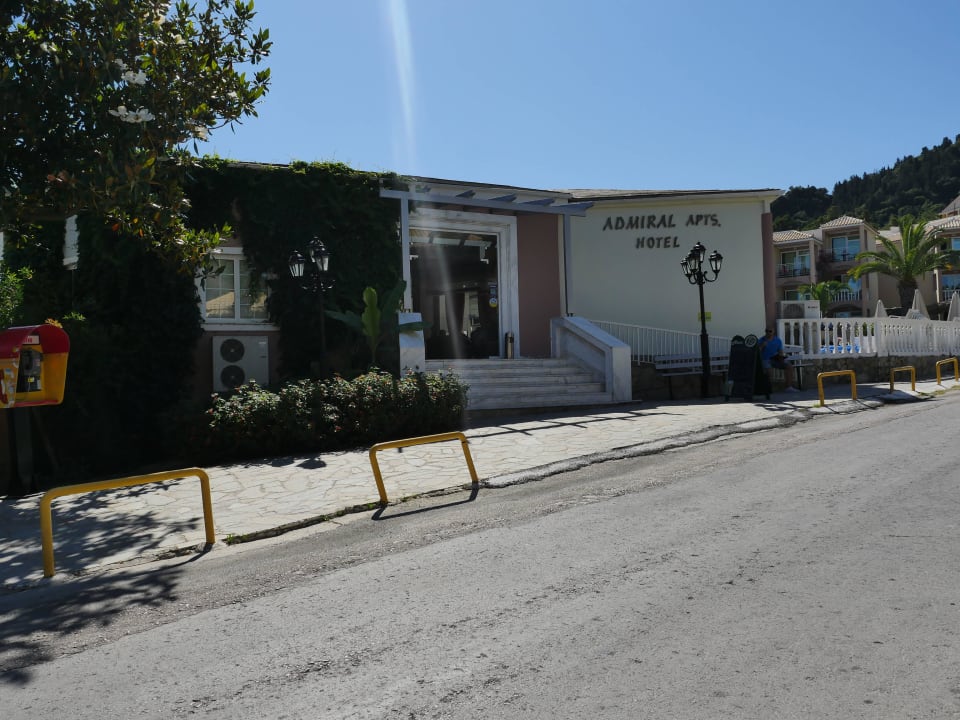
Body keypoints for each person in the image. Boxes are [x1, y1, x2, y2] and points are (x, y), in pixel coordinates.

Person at [758, 327, 798, 392]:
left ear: (773, 332)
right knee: (769, 371)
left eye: (770, 331)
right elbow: (757, 352)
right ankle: (768, 389)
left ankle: (788, 387)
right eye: (767, 331)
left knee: (789, 366)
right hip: (766, 359)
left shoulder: (777, 340)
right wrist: (762, 346)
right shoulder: (761, 340)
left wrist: (781, 357)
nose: (768, 332)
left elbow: (780, 351)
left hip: (775, 359)